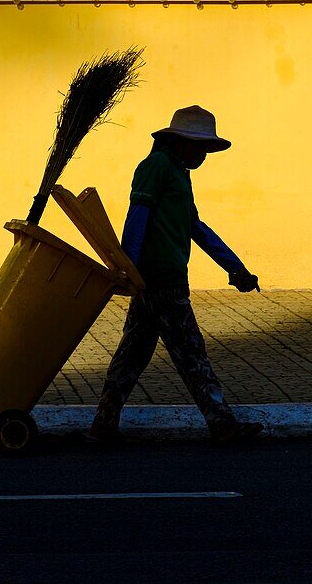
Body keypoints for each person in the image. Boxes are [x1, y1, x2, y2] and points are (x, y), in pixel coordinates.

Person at [89, 105, 264, 444]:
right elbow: (137, 217)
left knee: (132, 356)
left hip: (154, 282)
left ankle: (103, 425)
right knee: (192, 354)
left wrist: (235, 267)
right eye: (200, 146)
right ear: (181, 141)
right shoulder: (156, 167)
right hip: (160, 283)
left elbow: (195, 227)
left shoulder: (179, 173)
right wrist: (129, 267)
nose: (204, 154)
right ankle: (222, 424)